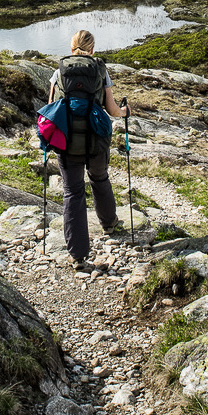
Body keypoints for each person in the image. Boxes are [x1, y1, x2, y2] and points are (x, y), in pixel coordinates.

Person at [47, 29, 130, 270]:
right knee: (99, 178)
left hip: (67, 141)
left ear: (72, 47)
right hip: (96, 141)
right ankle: (109, 224)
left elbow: (51, 107)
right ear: (92, 49)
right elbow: (113, 110)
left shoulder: (58, 72)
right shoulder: (100, 71)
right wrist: (126, 112)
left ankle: (78, 254)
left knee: (72, 192)